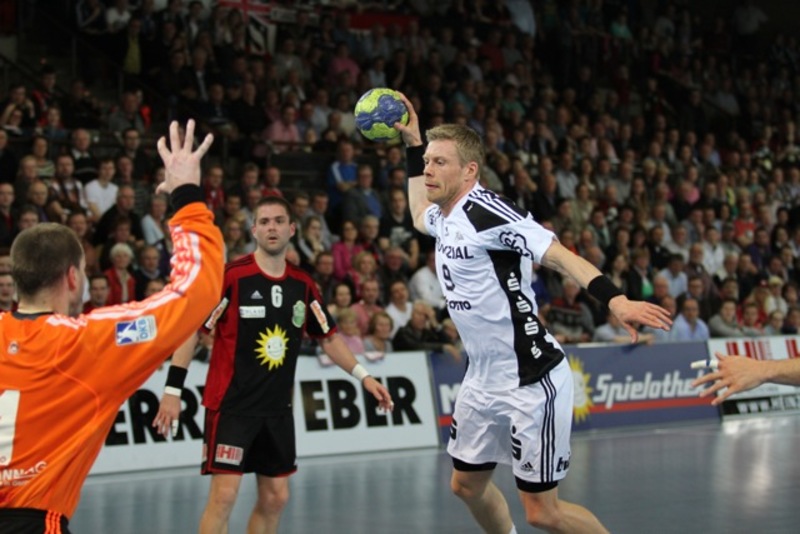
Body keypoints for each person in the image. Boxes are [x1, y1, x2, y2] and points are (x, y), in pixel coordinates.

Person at [394, 94, 671, 534]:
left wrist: (615, 299)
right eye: (427, 161)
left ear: (469, 171)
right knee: (466, 486)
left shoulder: (490, 212)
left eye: (439, 162)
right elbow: (415, 214)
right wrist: (412, 145)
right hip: (481, 377)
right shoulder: (445, 214)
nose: (428, 169)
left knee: (544, 513)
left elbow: (560, 256)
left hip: (531, 376)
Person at [0, 120, 223, 532]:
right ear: (73, 278)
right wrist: (186, 197)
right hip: (30, 521)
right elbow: (195, 294)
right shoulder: (89, 342)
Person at [152, 195, 393, 534]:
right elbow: (192, 331)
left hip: (277, 410)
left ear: (292, 229)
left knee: (276, 497)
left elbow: (328, 337)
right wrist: (172, 391)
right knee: (224, 497)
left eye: (279, 221)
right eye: (264, 222)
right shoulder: (232, 277)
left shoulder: (303, 284)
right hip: (232, 407)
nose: (272, 227)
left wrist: (364, 377)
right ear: (253, 230)